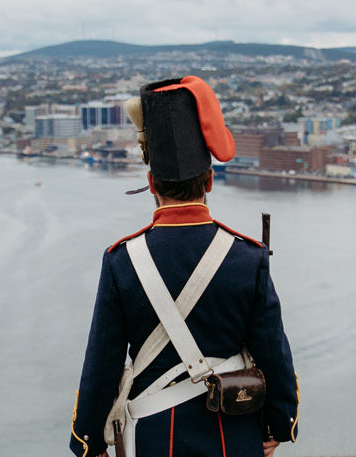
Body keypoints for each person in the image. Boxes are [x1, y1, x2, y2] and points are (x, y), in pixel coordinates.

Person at [69, 76, 299, 457]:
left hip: (157, 437)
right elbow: (272, 352)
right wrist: (279, 422)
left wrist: (90, 441)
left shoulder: (121, 261)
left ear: (150, 181)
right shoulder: (248, 257)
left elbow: (103, 365)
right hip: (236, 433)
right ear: (210, 180)